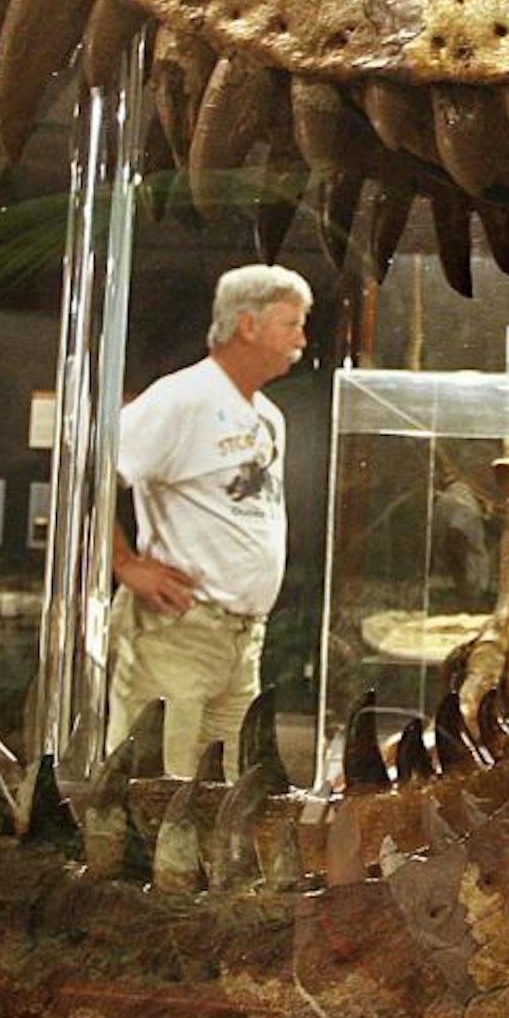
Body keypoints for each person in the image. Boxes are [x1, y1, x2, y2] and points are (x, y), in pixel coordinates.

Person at [108, 264, 310, 778]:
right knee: (154, 784)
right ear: (248, 325)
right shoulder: (182, 397)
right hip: (180, 631)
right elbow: (91, 477)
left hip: (242, 640)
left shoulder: (268, 416)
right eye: (291, 324)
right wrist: (125, 564)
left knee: (222, 791)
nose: (302, 338)